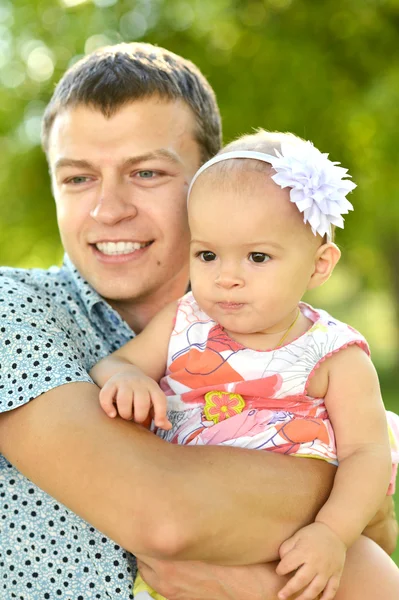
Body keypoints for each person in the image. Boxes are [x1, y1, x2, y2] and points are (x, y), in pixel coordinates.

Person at [0, 42, 397, 600]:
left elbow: (380, 535)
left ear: (208, 185)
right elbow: (165, 515)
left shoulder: (308, 342)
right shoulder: (12, 311)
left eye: (146, 172)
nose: (109, 209)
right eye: (78, 179)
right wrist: (342, 489)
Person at [90, 129, 399, 600]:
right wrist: (129, 378)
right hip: (206, 525)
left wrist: (334, 533)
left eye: (257, 257)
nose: (226, 277)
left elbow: (367, 454)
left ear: (318, 265)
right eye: (208, 254)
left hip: (301, 527)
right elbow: (115, 365)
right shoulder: (183, 321)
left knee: (376, 583)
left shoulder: (334, 352)